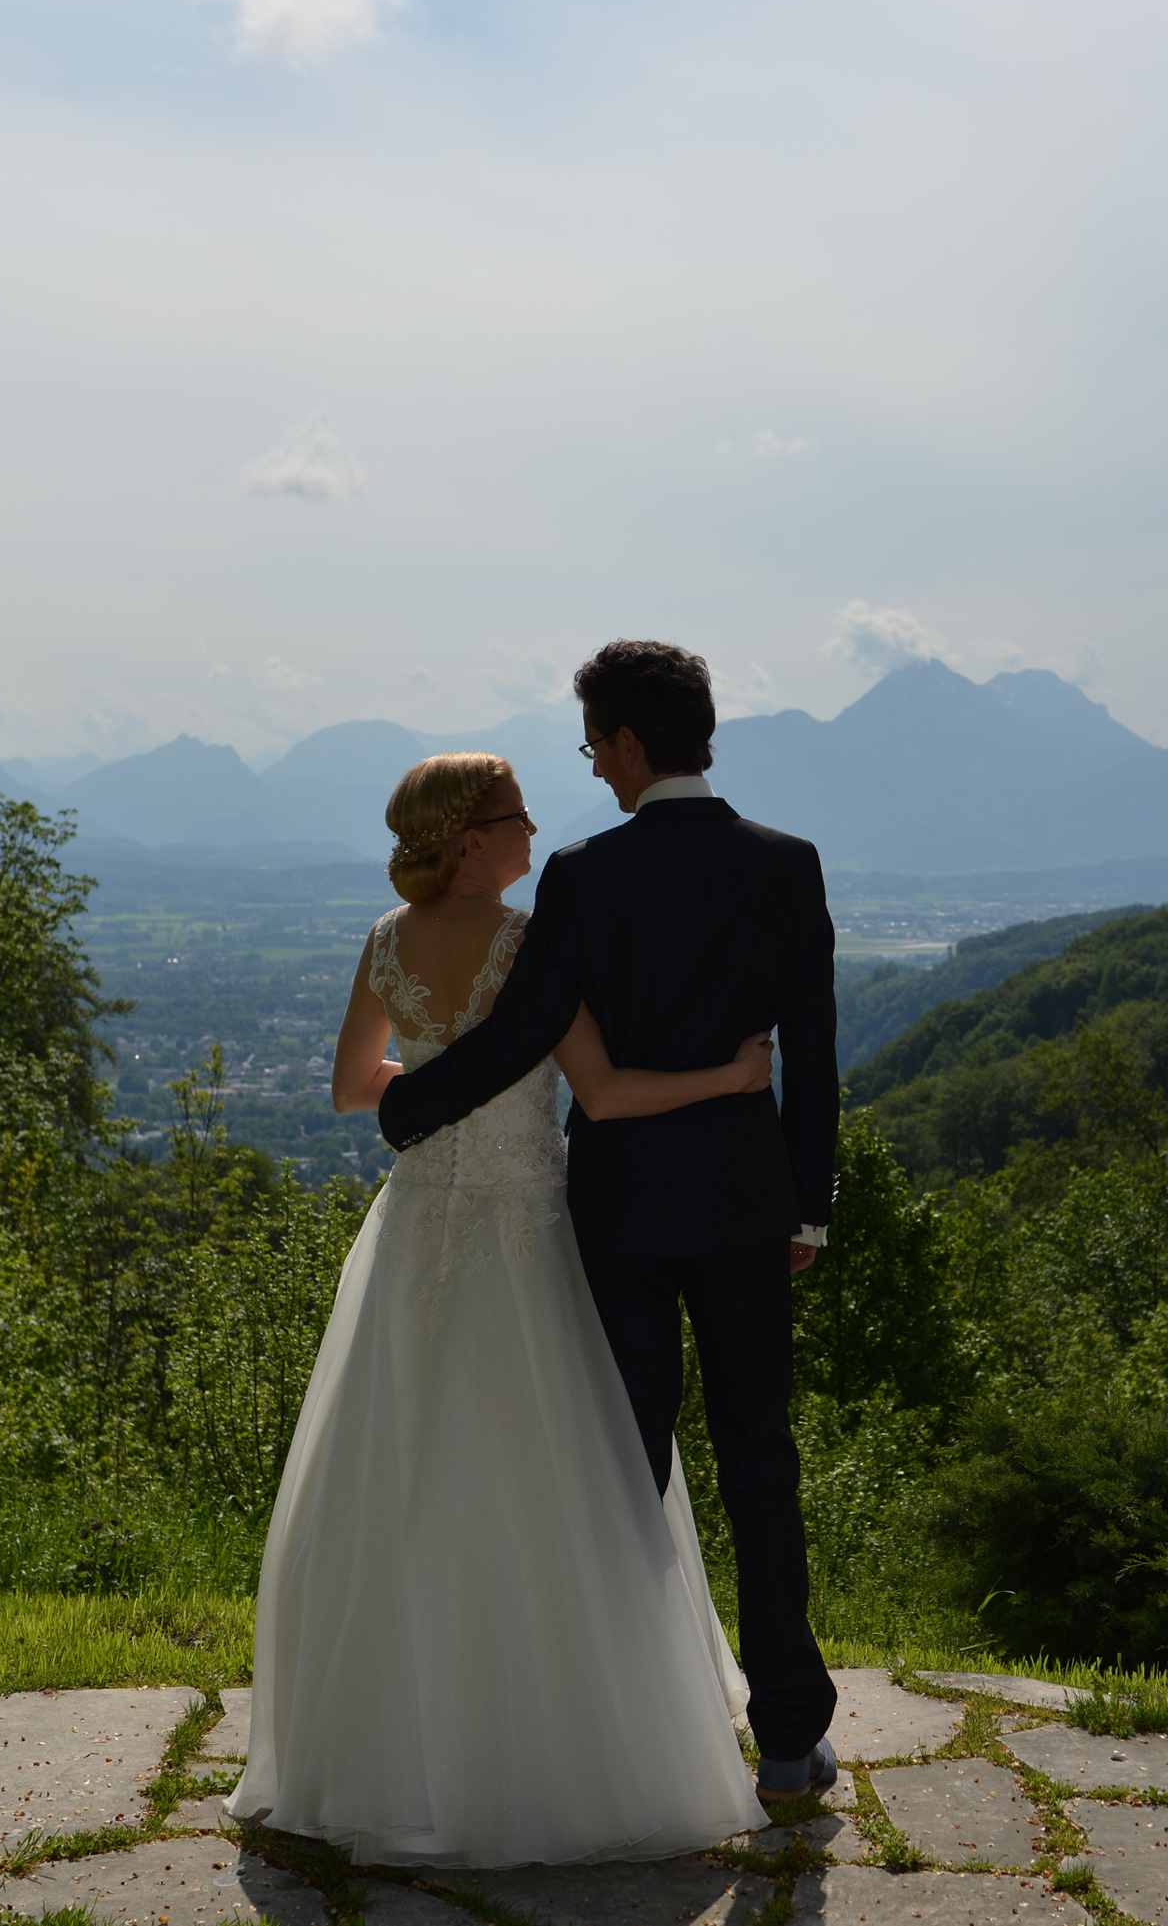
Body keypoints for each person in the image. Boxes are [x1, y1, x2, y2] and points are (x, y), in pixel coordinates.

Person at [227, 750, 771, 1867]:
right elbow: (608, 1093)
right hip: (527, 1236)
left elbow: (350, 1086)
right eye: (515, 818)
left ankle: (381, 1747)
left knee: (398, 1471)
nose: (533, 833)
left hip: (417, 1225)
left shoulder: (383, 940)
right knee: (547, 1477)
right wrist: (728, 1079)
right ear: (470, 838)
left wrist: (440, 1098)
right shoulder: (529, 947)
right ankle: (548, 1753)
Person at [377, 640, 842, 1807]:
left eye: (592, 747)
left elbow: (521, 1029)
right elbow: (815, 1057)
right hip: (744, 1209)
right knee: (758, 1456)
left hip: (620, 1212)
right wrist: (809, 1208)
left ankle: (629, 1727)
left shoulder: (583, 877)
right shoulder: (788, 867)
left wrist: (410, 1106)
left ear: (631, 744)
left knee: (618, 1468)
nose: (591, 771)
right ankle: (788, 1735)